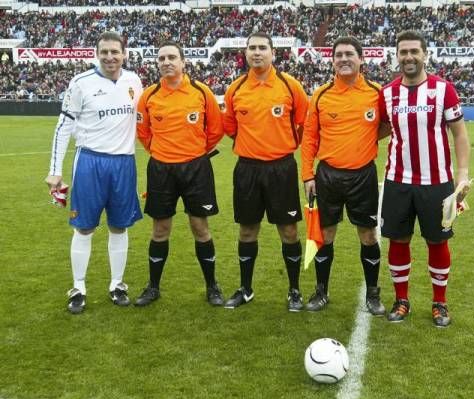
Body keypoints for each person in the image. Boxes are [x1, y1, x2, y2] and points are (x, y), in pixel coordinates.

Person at [45, 31, 143, 314]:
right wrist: (54, 170)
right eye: (104, 52)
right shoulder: (80, 84)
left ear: (124, 53)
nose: (110, 57)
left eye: (115, 52)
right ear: (96, 54)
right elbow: (63, 128)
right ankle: (78, 287)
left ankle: (117, 285)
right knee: (84, 226)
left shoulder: (134, 81)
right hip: (90, 162)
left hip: (124, 163)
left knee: (119, 225)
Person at [378, 30, 471, 327]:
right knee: (398, 239)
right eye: (403, 52)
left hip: (438, 182)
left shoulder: (444, 89)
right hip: (397, 181)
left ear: (425, 54)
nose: (408, 57)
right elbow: (379, 130)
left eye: (413, 51)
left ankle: (439, 303)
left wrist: (463, 176)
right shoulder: (388, 93)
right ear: (397, 56)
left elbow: (459, 133)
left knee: (437, 241)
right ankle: (401, 299)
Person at [222, 32, 309, 311]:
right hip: (247, 169)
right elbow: (230, 129)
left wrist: (282, 146)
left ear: (273, 53)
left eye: (262, 48)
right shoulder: (235, 89)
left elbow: (303, 125)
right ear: (245, 53)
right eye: (252, 48)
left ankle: (294, 290)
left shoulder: (289, 85)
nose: (256, 53)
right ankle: (245, 289)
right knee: (247, 230)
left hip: (281, 168)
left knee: (289, 230)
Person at [135, 41, 225, 307]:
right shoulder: (149, 95)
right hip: (161, 169)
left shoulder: (201, 91)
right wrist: (163, 153)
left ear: (183, 62)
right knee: (160, 228)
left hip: (196, 169)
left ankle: (212, 286)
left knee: (200, 227)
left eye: (172, 57)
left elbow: (216, 129)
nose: (166, 62)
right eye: (161, 58)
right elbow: (143, 133)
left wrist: (194, 151)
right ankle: (153, 287)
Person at [301, 36, 385, 316]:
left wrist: (368, 139)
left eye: (350, 54)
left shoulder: (376, 92)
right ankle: (321, 291)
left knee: (368, 235)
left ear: (361, 59)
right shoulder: (321, 95)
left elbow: (387, 125)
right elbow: (310, 137)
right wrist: (307, 175)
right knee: (325, 235)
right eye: (338, 55)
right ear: (332, 60)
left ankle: (373, 294)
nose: (344, 58)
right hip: (327, 176)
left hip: (363, 175)